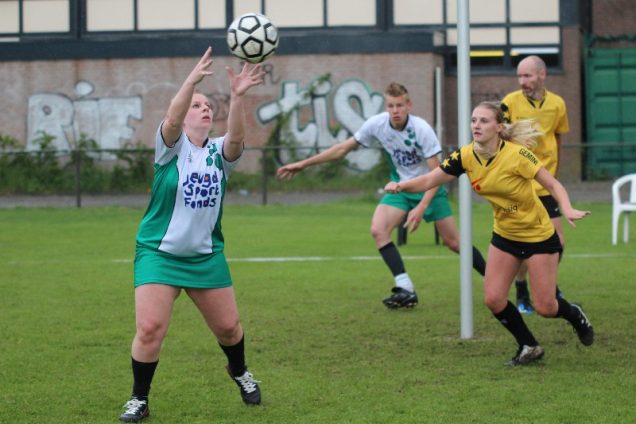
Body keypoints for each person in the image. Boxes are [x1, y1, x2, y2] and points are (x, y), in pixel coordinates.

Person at [384, 101, 594, 365]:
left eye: (483, 121)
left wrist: (567, 208)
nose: (476, 125)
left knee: (546, 307)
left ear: (498, 126)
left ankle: (574, 314)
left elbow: (552, 183)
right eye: (473, 120)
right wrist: (400, 186)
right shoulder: (466, 155)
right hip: (505, 236)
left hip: (538, 236)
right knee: (494, 299)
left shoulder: (518, 155)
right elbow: (429, 179)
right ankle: (529, 346)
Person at [118, 47, 265, 422]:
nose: (203, 109)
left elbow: (236, 136)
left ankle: (239, 372)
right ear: (185, 118)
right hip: (159, 253)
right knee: (150, 329)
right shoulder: (170, 148)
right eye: (197, 106)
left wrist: (236, 96)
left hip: (204, 256)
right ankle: (139, 399)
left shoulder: (218, 154)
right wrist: (191, 82)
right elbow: (170, 117)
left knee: (230, 330)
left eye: (207, 106)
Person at [276, 82, 487, 309]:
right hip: (400, 189)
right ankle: (405, 288)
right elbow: (341, 149)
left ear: (409, 105)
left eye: (399, 105)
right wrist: (303, 164)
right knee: (378, 230)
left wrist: (421, 207)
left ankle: (493, 279)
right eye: (390, 106)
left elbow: (437, 174)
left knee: (454, 243)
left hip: (429, 189)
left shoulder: (421, 129)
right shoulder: (377, 124)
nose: (395, 110)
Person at [501, 55, 570, 314]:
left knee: (558, 241)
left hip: (545, 184)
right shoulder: (509, 103)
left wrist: (554, 175)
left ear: (542, 75)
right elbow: (500, 139)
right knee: (523, 244)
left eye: (527, 76)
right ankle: (521, 291)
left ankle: (547, 286)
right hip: (520, 185)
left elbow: (558, 138)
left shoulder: (557, 104)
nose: (523, 81)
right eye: (520, 76)